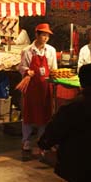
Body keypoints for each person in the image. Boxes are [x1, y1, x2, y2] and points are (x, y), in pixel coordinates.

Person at [18, 23, 58, 152]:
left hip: (46, 87)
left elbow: (53, 68)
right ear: (37, 35)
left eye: (47, 35)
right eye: (43, 35)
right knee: (29, 114)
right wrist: (26, 71)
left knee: (45, 114)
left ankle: (42, 140)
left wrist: (54, 76)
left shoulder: (51, 50)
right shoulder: (27, 51)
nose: (46, 38)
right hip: (31, 87)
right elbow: (21, 67)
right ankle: (26, 141)